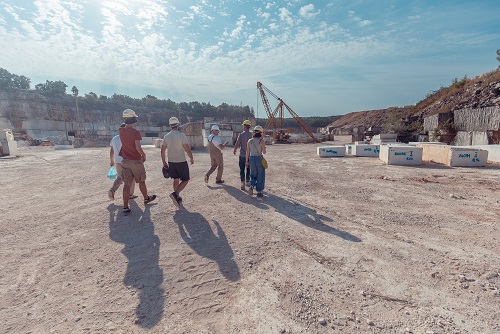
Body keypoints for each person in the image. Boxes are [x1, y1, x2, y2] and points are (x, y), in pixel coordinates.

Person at [118, 109, 156, 213]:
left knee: (127, 184)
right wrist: (143, 154)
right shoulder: (136, 132)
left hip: (125, 160)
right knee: (141, 181)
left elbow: (122, 126)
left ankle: (125, 207)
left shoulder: (120, 130)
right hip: (135, 160)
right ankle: (146, 198)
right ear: (133, 119)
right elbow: (137, 147)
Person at [161, 116, 194, 209]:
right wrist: (191, 158)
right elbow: (187, 149)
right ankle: (176, 194)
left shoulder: (166, 136)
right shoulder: (181, 136)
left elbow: (162, 150)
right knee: (185, 179)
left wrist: (164, 162)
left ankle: (177, 197)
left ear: (170, 125)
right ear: (178, 125)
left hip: (171, 162)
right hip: (181, 162)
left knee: (176, 179)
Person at [108, 123, 137, 201]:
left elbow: (111, 151)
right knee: (131, 177)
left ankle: (112, 190)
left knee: (120, 177)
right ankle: (130, 194)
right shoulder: (126, 138)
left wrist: (111, 161)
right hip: (126, 161)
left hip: (117, 162)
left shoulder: (114, 139)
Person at [246, 125, 267, 198]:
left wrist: (246, 161)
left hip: (251, 158)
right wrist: (262, 145)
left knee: (253, 174)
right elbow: (264, 152)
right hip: (259, 159)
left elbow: (247, 152)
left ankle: (251, 186)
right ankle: (259, 191)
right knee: (260, 175)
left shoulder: (250, 141)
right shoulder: (262, 141)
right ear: (261, 132)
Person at [233, 120, 253, 190]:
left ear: (245, 126)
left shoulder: (241, 135)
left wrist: (235, 150)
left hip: (242, 155)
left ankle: (242, 183)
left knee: (242, 169)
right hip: (249, 155)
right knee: (248, 168)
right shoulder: (251, 135)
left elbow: (237, 143)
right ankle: (247, 181)